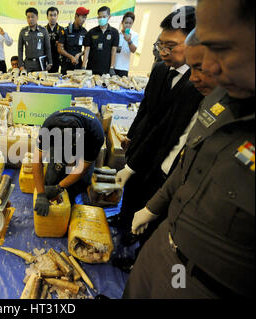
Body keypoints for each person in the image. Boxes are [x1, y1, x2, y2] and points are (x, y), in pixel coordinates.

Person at [124, 0, 254, 298]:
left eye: (219, 47)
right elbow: (187, 164)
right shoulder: (220, 96)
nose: (204, 70)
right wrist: (153, 207)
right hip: (163, 250)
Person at [110, 7, 202, 253]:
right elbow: (146, 108)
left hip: (162, 159)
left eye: (171, 46)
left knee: (149, 206)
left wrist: (133, 165)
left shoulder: (197, 83)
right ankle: (123, 221)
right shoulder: (160, 69)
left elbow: (167, 130)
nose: (163, 52)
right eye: (160, 45)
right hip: (141, 148)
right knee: (130, 193)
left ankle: (138, 249)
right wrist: (130, 135)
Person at [32, 107, 104, 216]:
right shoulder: (48, 127)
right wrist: (41, 194)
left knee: (81, 184)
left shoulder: (94, 134)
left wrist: (59, 187)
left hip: (85, 146)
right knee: (52, 177)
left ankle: (72, 196)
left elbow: (82, 168)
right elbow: (37, 161)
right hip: (62, 142)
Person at [82, 6, 119, 75]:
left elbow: (114, 51)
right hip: (91, 68)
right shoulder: (91, 32)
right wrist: (83, 66)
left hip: (106, 69)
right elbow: (87, 50)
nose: (102, 19)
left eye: (104, 17)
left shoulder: (114, 32)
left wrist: (112, 67)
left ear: (109, 17)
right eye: (100, 17)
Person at [18, 7, 53, 72]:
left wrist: (50, 62)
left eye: (32, 17)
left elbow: (47, 47)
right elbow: (20, 49)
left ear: (37, 17)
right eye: (28, 17)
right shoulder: (23, 31)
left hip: (40, 64)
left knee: (41, 81)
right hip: (28, 64)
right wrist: (20, 65)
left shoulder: (43, 30)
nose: (30, 19)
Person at [58, 7, 89, 75]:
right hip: (66, 64)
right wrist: (71, 57)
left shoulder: (84, 32)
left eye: (85, 18)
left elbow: (87, 49)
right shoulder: (65, 30)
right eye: (82, 17)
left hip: (78, 64)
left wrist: (79, 54)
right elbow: (60, 49)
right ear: (76, 16)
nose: (84, 20)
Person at [114, 11, 139, 77]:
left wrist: (129, 40)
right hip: (112, 65)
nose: (128, 25)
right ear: (122, 22)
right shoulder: (116, 33)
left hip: (123, 67)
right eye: (126, 23)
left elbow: (133, 50)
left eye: (130, 23)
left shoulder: (135, 35)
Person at [46, 7, 63, 73]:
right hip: (46, 58)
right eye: (50, 15)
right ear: (47, 16)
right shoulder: (43, 30)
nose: (53, 17)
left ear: (57, 16)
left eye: (55, 15)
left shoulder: (62, 30)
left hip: (57, 58)